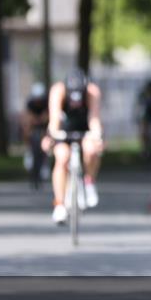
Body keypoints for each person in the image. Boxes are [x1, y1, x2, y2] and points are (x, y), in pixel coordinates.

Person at [41, 69, 104, 224]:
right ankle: (60, 204)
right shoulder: (58, 91)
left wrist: (97, 137)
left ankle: (89, 182)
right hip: (64, 129)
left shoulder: (92, 92)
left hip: (84, 127)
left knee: (91, 150)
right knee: (62, 157)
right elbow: (54, 117)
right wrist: (50, 136)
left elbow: (94, 118)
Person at [22, 82, 50, 186]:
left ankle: (44, 166)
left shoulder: (46, 102)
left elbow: (48, 117)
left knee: (43, 151)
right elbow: (27, 119)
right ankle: (32, 173)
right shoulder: (30, 103)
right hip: (33, 129)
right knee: (32, 149)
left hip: (44, 128)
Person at [136, 79, 151, 161]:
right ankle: (145, 151)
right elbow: (139, 107)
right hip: (145, 117)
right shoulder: (143, 95)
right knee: (145, 134)